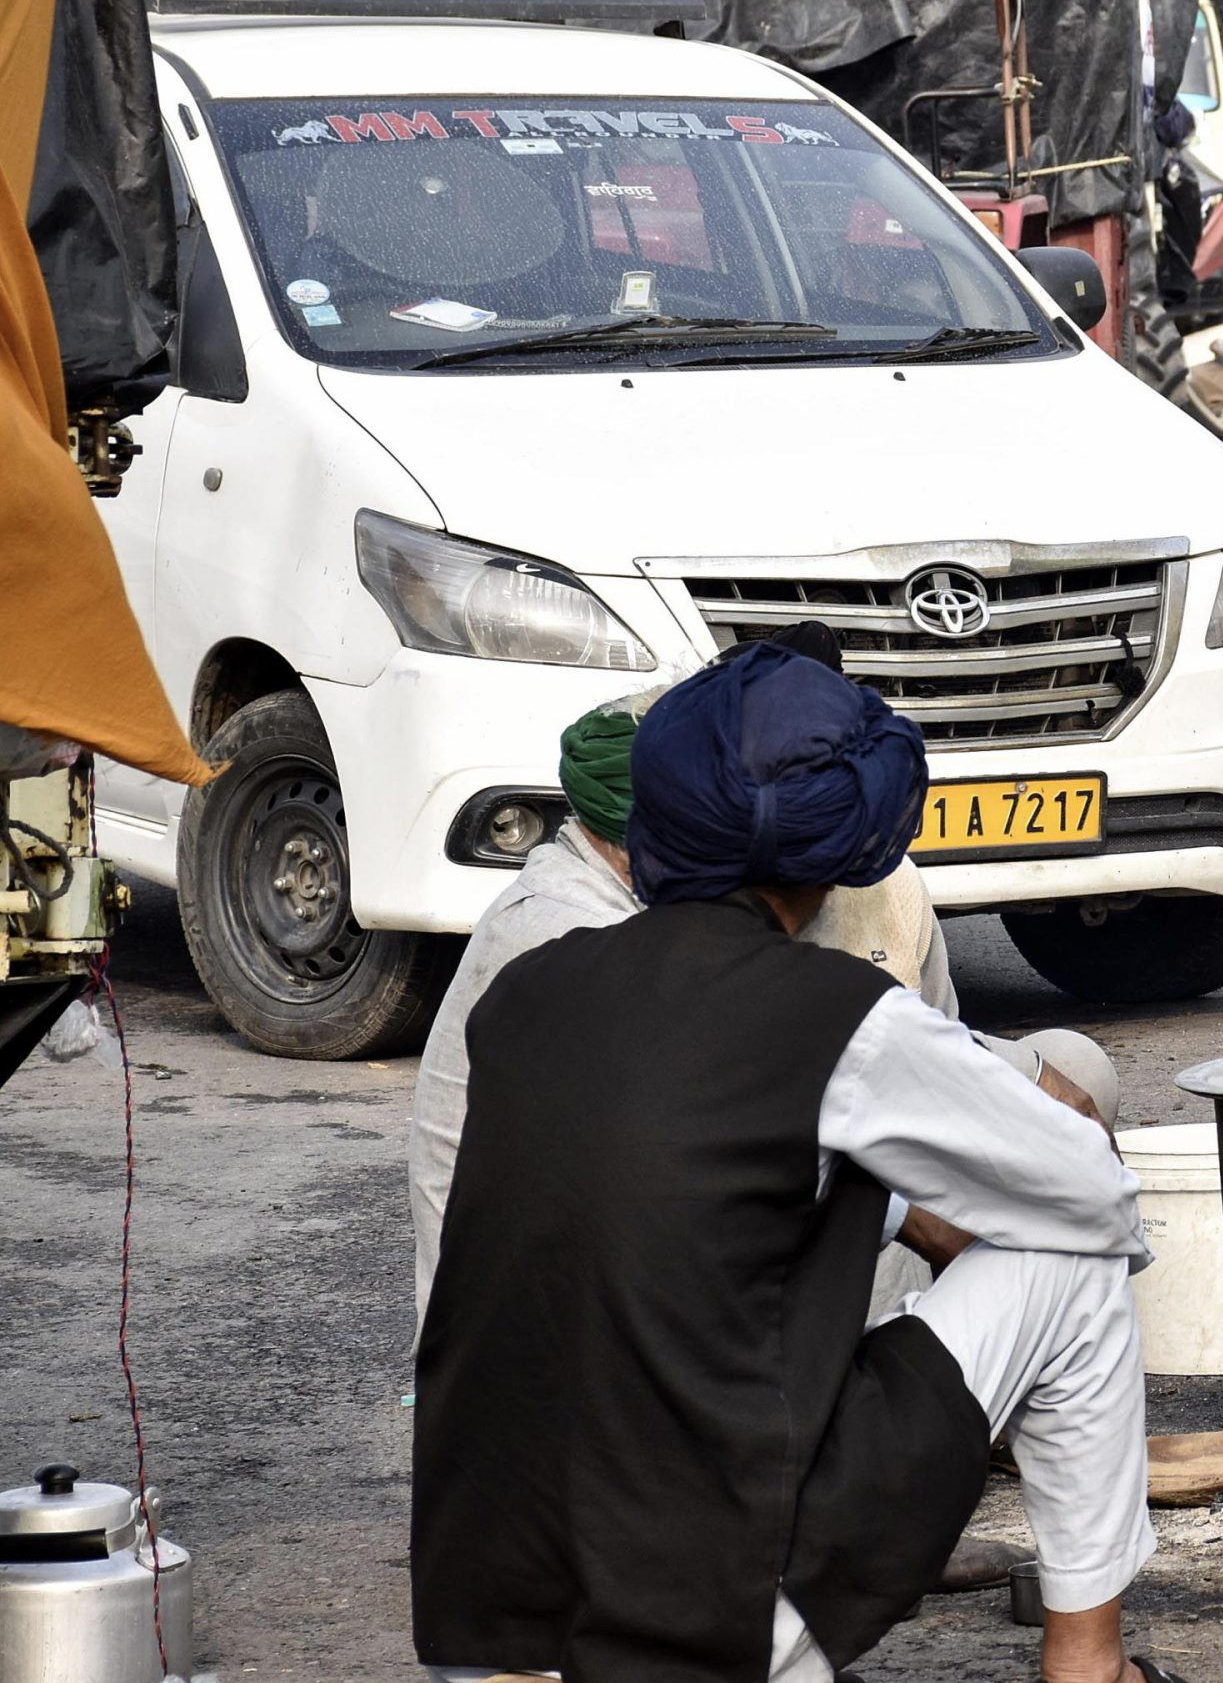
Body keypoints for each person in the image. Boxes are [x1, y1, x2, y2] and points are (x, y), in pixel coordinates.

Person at [413, 642, 1184, 1683]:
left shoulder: (531, 983)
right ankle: (1092, 1669)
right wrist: (918, 1194)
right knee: (1072, 1252)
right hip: (688, 1630)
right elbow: (1093, 1193)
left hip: (484, 1623)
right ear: (846, 858)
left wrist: (874, 1195)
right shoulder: (838, 1021)